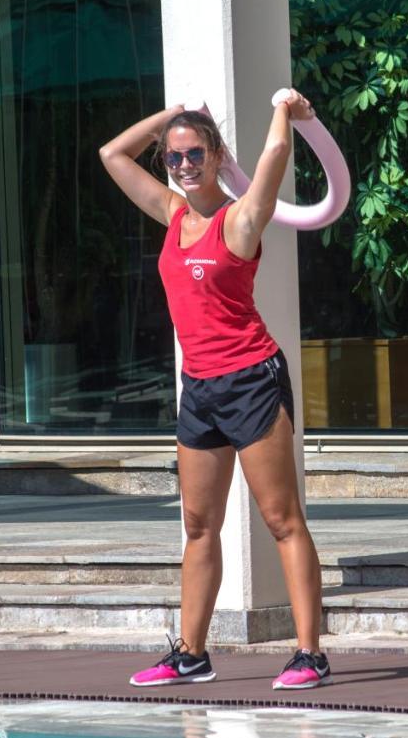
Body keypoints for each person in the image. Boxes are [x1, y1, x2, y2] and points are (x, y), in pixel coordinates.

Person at [100, 91, 330, 691]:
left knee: (281, 519)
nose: (183, 166)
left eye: (195, 154)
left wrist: (285, 107)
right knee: (199, 525)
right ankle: (192, 654)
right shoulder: (173, 214)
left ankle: (310, 653)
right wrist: (171, 116)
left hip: (252, 378)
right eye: (174, 158)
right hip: (198, 388)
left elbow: (277, 152)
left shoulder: (241, 217)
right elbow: (112, 154)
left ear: (216, 155)